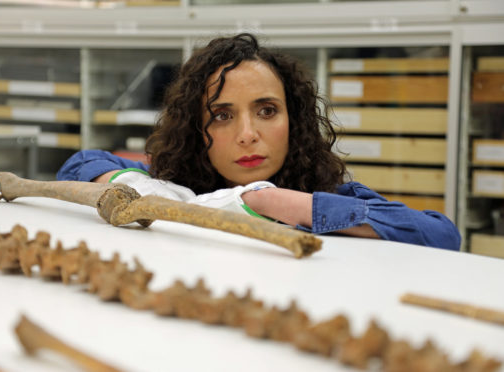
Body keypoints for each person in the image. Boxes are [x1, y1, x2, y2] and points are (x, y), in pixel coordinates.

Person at [58, 33, 460, 251]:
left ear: (294, 119)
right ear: (194, 130)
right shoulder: (179, 185)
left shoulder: (325, 195)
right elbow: (80, 164)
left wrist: (269, 201)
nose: (248, 134)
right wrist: (141, 189)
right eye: (222, 115)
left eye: (266, 110)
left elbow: (441, 234)